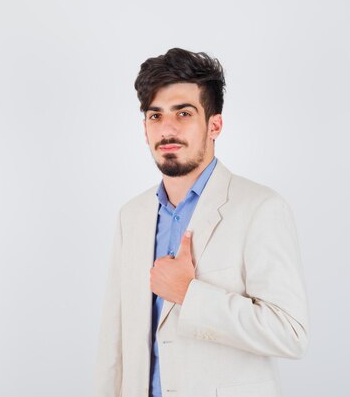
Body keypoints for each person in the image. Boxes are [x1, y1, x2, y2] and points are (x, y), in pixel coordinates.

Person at [94, 48, 309, 397]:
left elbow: (291, 333)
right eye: (155, 115)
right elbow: (113, 342)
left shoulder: (261, 207)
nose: (167, 129)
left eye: (183, 113)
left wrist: (189, 295)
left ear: (214, 125)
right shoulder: (131, 216)